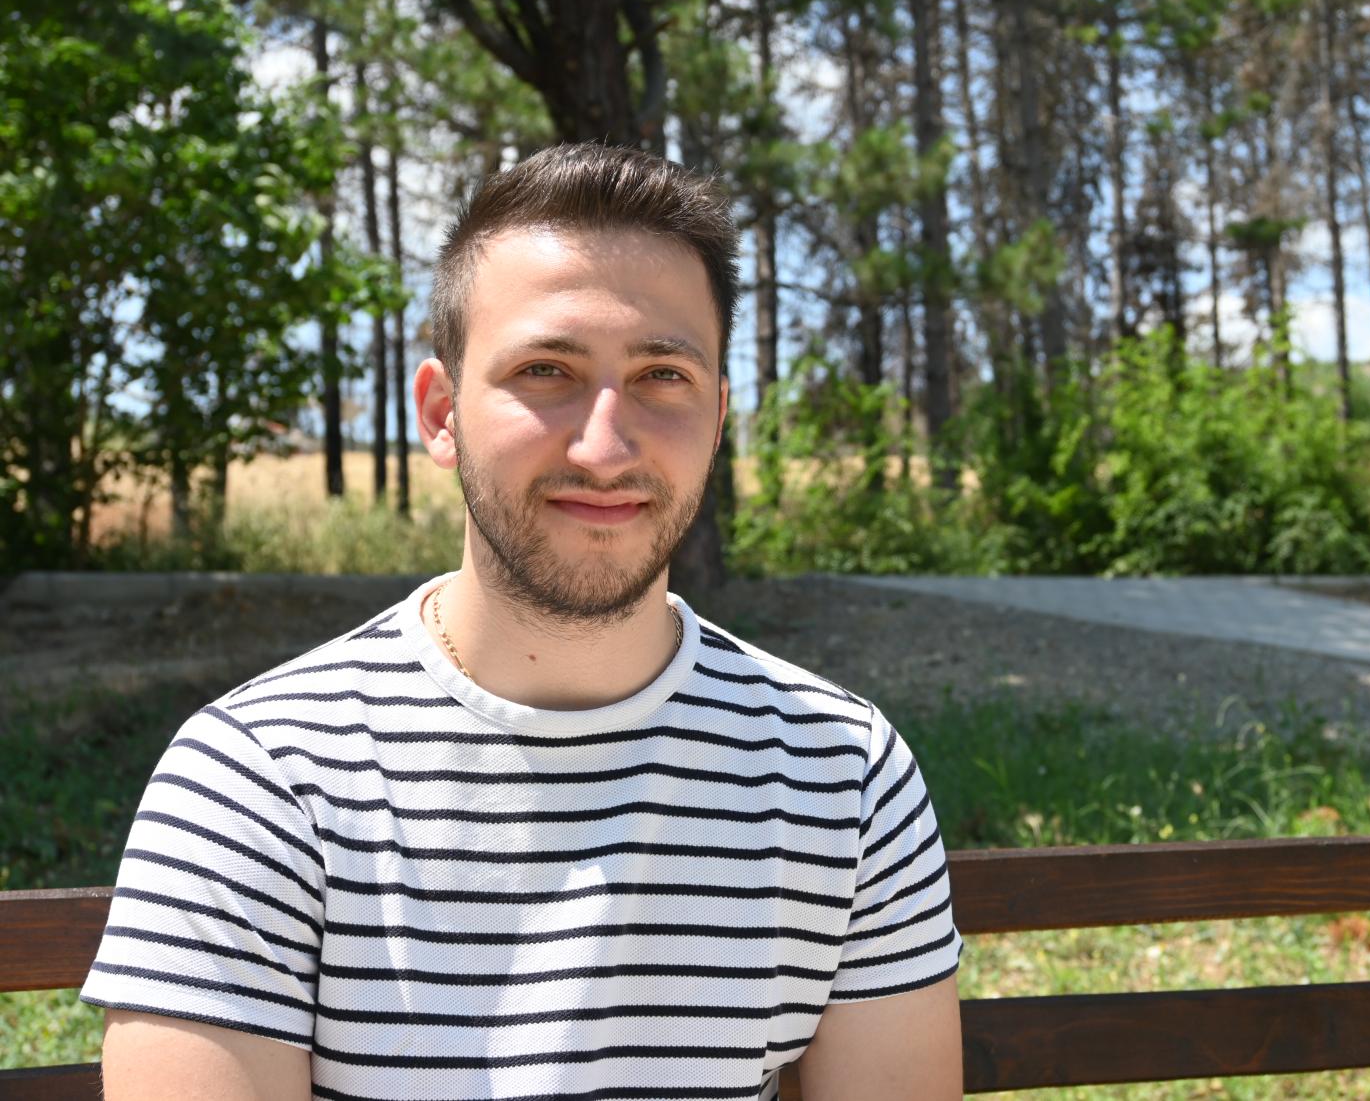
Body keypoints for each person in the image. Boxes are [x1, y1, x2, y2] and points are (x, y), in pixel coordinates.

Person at [83, 142, 963, 1100]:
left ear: (717, 421)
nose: (602, 445)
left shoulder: (840, 768)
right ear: (441, 411)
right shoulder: (258, 780)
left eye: (663, 375)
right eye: (546, 369)